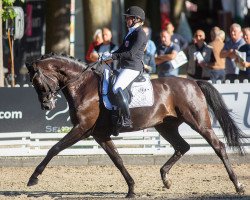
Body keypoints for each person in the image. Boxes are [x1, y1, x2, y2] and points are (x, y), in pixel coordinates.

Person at [101, 6, 147, 134]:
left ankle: (126, 118)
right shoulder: (130, 32)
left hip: (133, 67)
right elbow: (121, 50)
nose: (126, 20)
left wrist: (113, 56)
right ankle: (115, 116)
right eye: (127, 18)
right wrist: (109, 54)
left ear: (137, 19)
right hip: (124, 66)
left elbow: (131, 53)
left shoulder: (140, 34)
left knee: (117, 87)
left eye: (129, 18)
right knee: (110, 84)